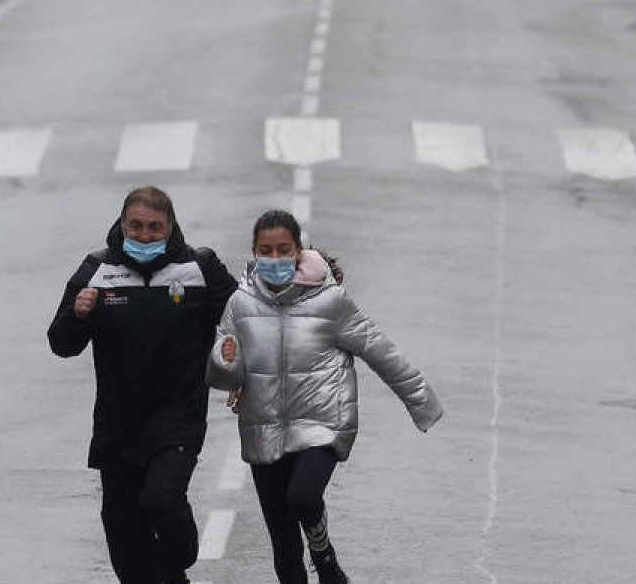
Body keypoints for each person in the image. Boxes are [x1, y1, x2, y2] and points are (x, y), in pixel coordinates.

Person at [206, 210, 444, 584]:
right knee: (283, 546)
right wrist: (225, 360)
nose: (274, 258)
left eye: (283, 249)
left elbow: (378, 348)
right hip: (262, 426)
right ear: (253, 252)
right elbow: (224, 371)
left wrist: (421, 401)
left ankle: (324, 555)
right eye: (265, 250)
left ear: (299, 251)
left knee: (302, 496)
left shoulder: (330, 301)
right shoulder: (240, 304)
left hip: (323, 422)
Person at [47, 186, 238, 584]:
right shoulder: (96, 271)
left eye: (155, 227)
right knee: (126, 544)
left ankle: (181, 559)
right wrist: (78, 314)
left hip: (178, 419)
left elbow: (245, 320)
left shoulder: (200, 269)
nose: (145, 235)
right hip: (118, 427)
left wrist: (244, 373)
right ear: (122, 224)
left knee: (162, 500)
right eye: (137, 226)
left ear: (171, 227)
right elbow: (61, 344)